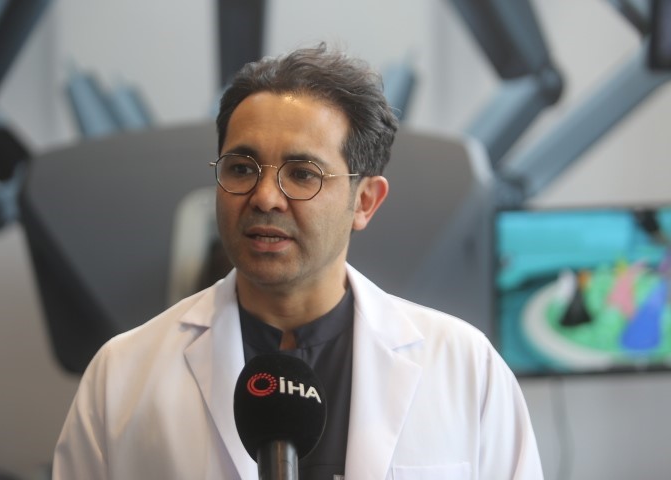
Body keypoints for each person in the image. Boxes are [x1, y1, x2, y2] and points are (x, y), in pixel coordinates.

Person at [52, 44, 544, 479]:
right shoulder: (122, 374)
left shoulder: (465, 367)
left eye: (303, 173)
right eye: (241, 168)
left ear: (365, 201)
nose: (265, 197)